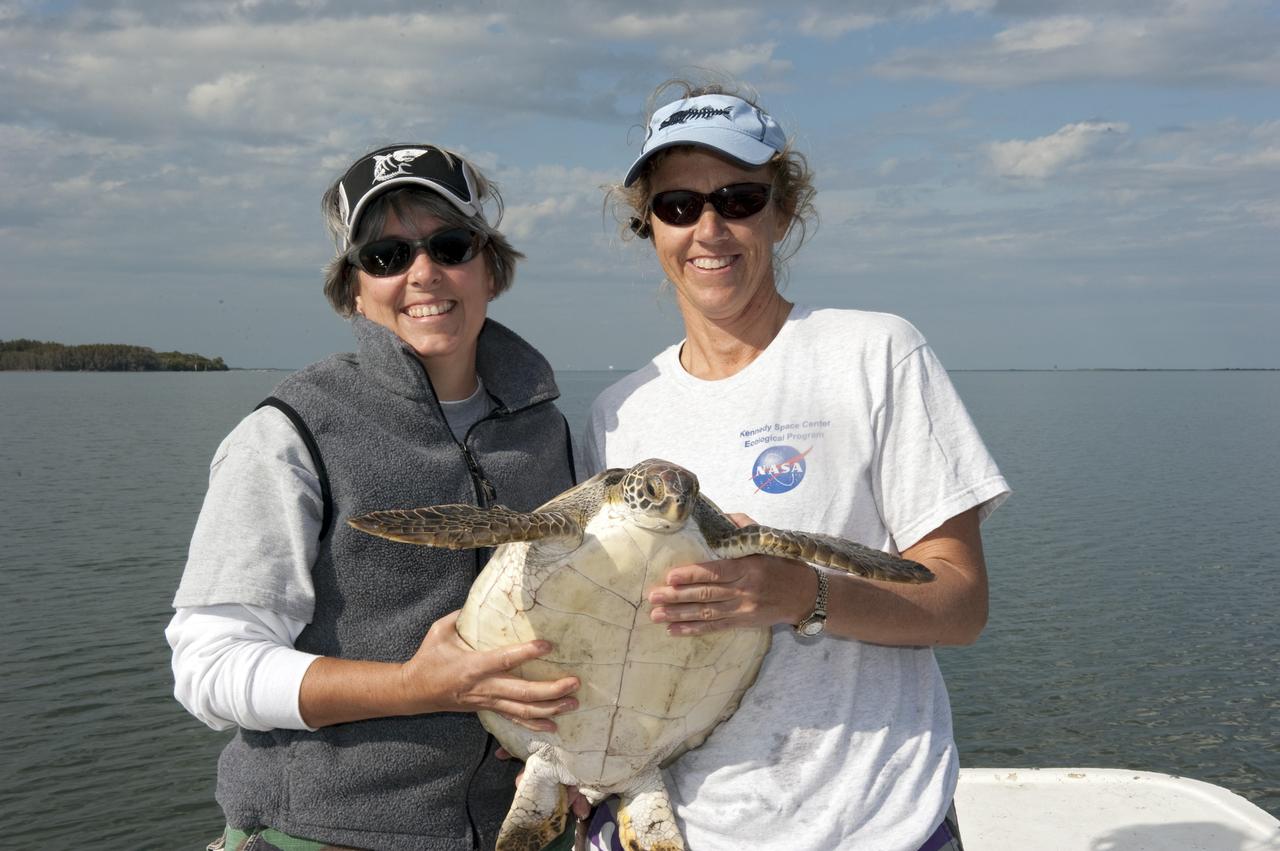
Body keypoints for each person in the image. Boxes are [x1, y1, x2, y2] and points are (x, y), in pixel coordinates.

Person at [579, 82, 1010, 851]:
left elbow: (961, 601)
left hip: (876, 826)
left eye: (738, 199)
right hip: (679, 827)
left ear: (782, 211)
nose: (709, 228)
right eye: (678, 205)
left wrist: (795, 593)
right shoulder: (619, 413)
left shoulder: (874, 353)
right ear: (646, 225)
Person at [167, 143, 581, 851]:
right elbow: (208, 668)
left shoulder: (547, 430)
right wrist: (418, 687)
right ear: (354, 287)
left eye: (450, 245)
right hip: (318, 833)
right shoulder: (287, 433)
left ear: (490, 268)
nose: (423, 272)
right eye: (387, 256)